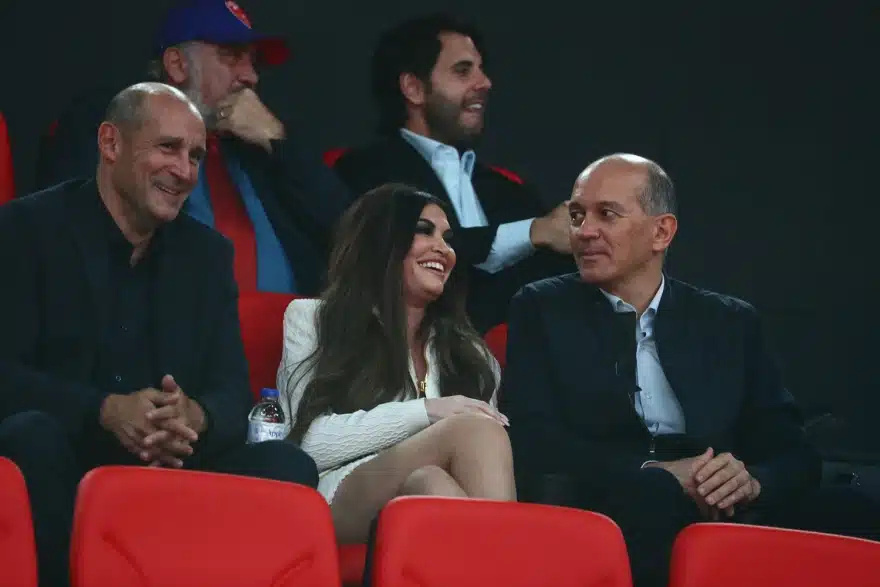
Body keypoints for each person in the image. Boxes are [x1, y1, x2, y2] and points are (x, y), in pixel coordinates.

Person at [499, 154, 880, 587]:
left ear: (661, 232)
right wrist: (656, 471)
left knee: (851, 509)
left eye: (607, 214)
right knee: (655, 496)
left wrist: (751, 480)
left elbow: (792, 450)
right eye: (576, 216)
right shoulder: (542, 308)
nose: (584, 231)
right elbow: (534, 438)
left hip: (720, 498)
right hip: (615, 494)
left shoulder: (729, 321)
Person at [0, 82, 318, 587]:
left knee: (287, 466)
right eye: (168, 148)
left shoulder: (208, 256)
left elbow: (231, 392)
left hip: (176, 464)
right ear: (111, 143)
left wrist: (196, 416)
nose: (185, 171)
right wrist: (104, 410)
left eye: (195, 156)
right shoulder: (26, 229)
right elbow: (6, 376)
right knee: (30, 436)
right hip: (70, 452)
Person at [34, 0, 353, 295]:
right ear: (177, 65)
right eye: (231, 55)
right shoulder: (114, 125)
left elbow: (353, 235)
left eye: (253, 61)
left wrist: (278, 142)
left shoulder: (263, 151)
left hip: (287, 330)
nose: (251, 77)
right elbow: (71, 237)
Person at [277, 183, 516, 544]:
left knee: (432, 485)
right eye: (424, 231)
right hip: (342, 493)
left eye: (448, 238)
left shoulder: (473, 355)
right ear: (383, 240)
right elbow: (307, 443)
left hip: (423, 492)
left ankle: (496, 564)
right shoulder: (313, 319)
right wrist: (427, 411)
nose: (443, 248)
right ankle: (514, 559)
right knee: (475, 429)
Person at [332, 14, 573, 333]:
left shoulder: (508, 189)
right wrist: (532, 233)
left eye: (481, 69)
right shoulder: (367, 171)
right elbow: (401, 253)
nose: (484, 83)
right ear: (414, 88)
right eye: (463, 70)